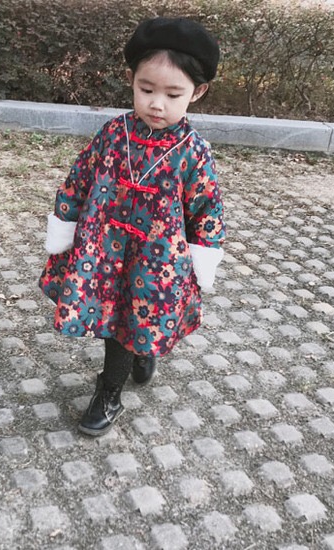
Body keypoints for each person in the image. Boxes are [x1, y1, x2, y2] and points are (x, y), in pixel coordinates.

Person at [39, 17, 226, 436]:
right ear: (131, 81)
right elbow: (79, 178)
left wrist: (203, 253)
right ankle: (113, 386)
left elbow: (207, 208)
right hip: (103, 250)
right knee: (115, 322)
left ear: (197, 92)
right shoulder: (113, 133)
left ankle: (115, 385)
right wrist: (65, 219)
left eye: (172, 94)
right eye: (146, 90)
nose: (157, 104)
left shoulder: (193, 152)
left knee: (137, 318)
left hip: (155, 260)